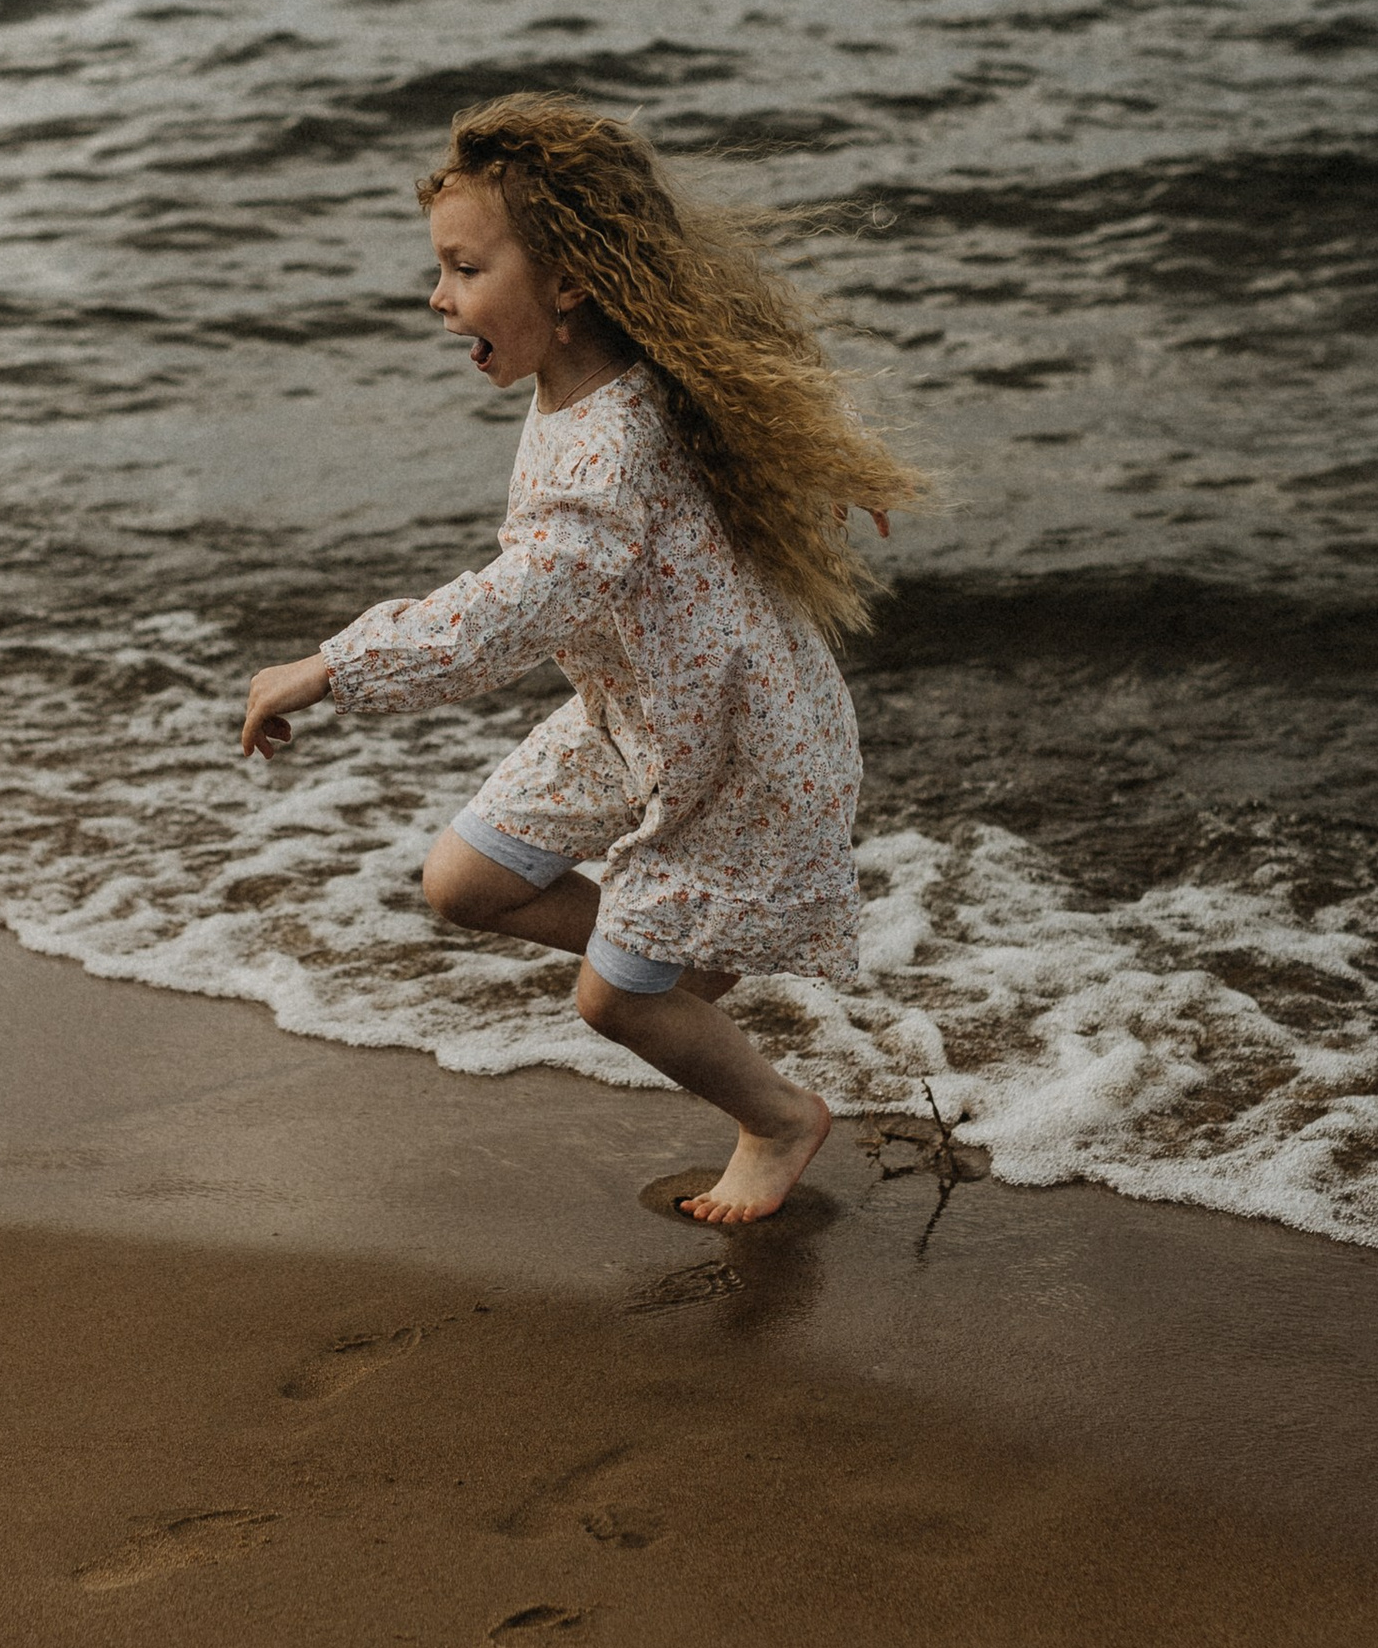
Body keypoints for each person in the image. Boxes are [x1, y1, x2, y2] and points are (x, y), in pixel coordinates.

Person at [240, 92, 920, 1225]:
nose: (437, 296)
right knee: (465, 882)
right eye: (441, 269)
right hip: (636, 718)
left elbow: (508, 611)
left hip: (738, 750)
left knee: (609, 1001)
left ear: (566, 283)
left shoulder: (597, 455)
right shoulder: (608, 381)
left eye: (463, 270)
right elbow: (723, 423)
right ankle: (679, 959)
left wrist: (335, 665)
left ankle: (775, 1116)